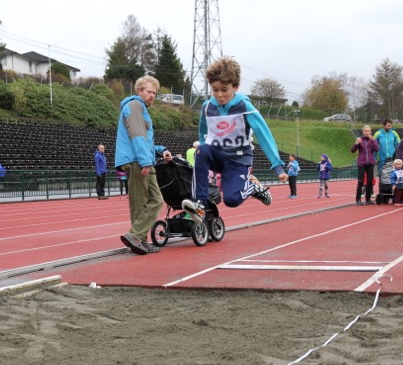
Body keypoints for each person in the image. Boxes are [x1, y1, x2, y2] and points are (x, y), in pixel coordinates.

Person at [181, 56, 287, 223]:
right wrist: (203, 148)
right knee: (200, 150)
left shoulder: (244, 107)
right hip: (217, 155)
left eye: (224, 90)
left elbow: (263, 134)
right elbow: (203, 132)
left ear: (235, 86)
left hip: (238, 160)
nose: (219, 95)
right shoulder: (207, 107)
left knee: (231, 200)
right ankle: (200, 204)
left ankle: (252, 186)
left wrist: (277, 167)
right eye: (215, 90)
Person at [115, 75, 172, 255]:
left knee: (155, 200)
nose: (152, 95)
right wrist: (145, 161)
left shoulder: (140, 109)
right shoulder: (135, 106)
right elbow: (137, 136)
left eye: (155, 93)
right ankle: (136, 237)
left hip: (142, 158)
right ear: (139, 91)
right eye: (149, 91)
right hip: (136, 161)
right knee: (140, 202)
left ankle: (138, 238)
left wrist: (161, 150)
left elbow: (144, 140)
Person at [351, 125, 379, 205]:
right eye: (365, 131)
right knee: (360, 181)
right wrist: (356, 143)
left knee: (370, 182)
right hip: (361, 163)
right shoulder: (360, 140)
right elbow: (352, 150)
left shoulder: (373, 140)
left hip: (370, 163)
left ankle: (368, 199)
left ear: (370, 132)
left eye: (368, 131)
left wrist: (373, 141)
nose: (367, 132)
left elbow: (377, 149)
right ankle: (358, 200)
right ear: (363, 132)